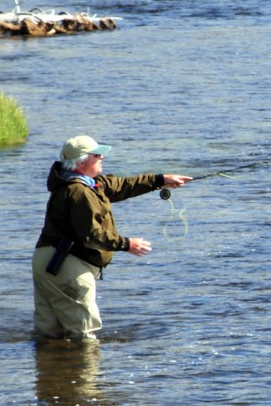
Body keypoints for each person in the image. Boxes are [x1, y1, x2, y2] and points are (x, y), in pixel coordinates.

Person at [32, 134, 192, 341]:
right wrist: (127, 244)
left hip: (46, 261)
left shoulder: (83, 184)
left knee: (50, 331)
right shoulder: (79, 192)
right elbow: (92, 234)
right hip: (66, 264)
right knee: (84, 333)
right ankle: (86, 373)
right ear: (81, 162)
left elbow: (121, 185)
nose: (102, 158)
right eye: (97, 155)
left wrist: (159, 180)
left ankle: (52, 370)